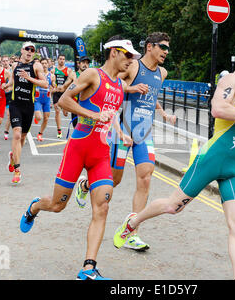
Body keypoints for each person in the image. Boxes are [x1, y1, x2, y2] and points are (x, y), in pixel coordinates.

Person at [113, 39, 235, 280]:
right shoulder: (231, 81)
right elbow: (217, 108)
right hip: (212, 158)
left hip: (234, 167)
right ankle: (133, 222)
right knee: (172, 207)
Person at [19, 36, 140, 280]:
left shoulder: (118, 85)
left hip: (100, 155)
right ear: (114, 53)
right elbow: (64, 100)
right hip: (78, 148)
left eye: (133, 57)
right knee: (57, 205)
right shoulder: (93, 75)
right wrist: (93, 115)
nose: (131, 61)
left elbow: (111, 115)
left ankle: (88, 268)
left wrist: (121, 133)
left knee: (103, 206)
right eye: (128, 55)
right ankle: (34, 207)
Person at [75, 32, 175, 252]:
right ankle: (85, 185)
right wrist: (132, 88)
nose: (166, 52)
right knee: (113, 180)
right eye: (163, 47)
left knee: (146, 177)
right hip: (123, 131)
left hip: (144, 131)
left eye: (168, 48)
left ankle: (132, 231)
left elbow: (153, 94)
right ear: (150, 47)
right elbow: (113, 85)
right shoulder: (132, 67)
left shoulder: (163, 72)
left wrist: (164, 113)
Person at [7, 41, 48, 184]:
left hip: (28, 106)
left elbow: (45, 84)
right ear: (22, 50)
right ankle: (17, 170)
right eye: (27, 49)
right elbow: (12, 81)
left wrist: (29, 78)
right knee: (17, 134)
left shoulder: (36, 66)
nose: (30, 51)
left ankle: (13, 157)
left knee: (22, 137)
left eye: (32, 50)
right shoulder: (15, 65)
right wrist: (6, 85)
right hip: (15, 104)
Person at [34, 57, 56, 141]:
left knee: (46, 118)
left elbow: (54, 86)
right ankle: (37, 117)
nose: (44, 65)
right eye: (42, 63)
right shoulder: (37, 74)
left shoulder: (52, 76)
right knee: (39, 117)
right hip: (38, 99)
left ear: (48, 64)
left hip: (46, 99)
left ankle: (40, 134)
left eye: (45, 63)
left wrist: (53, 88)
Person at [52, 54, 74, 139]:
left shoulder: (68, 70)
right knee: (57, 110)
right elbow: (52, 81)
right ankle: (59, 130)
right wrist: (54, 87)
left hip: (65, 93)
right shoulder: (54, 70)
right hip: (57, 93)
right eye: (60, 59)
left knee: (65, 114)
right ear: (57, 60)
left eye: (63, 59)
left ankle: (65, 109)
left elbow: (72, 81)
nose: (62, 60)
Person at [70, 55, 91, 128]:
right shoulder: (73, 75)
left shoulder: (91, 77)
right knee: (76, 128)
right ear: (79, 64)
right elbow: (65, 88)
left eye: (87, 63)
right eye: (83, 62)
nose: (85, 65)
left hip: (87, 107)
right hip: (75, 106)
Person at [1, 55, 13, 141]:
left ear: (9, 61)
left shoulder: (12, 71)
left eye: (6, 61)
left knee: (9, 114)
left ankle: (6, 131)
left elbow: (16, 84)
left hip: (10, 94)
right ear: (1, 62)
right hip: (0, 95)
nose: (5, 62)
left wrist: (10, 88)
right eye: (3, 61)